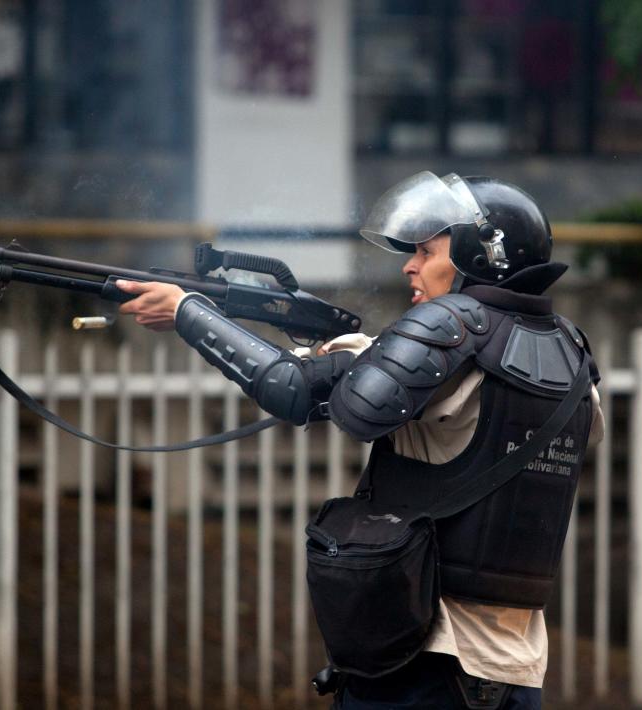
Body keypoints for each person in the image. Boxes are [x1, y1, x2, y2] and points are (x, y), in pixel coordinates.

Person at [116, 171, 603, 709]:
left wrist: (188, 312)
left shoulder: (452, 333)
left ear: (480, 254)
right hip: (515, 672)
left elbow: (293, 388)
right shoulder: (571, 360)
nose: (409, 265)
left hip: (427, 666)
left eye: (425, 249)